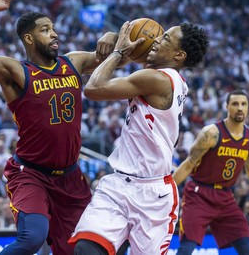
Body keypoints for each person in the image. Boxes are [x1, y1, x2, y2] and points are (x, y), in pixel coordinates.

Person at [0, 0, 117, 255]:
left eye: (54, 28)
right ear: (29, 38)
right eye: (45, 30)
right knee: (32, 237)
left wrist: (113, 37)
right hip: (32, 174)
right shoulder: (15, 71)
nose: (54, 34)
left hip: (71, 178)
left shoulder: (74, 62)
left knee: (82, 249)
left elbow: (120, 55)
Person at [68, 20, 209, 254]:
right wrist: (114, 38)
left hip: (153, 194)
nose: (155, 40)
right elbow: (135, 52)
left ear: (179, 54)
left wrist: (118, 51)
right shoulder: (165, 77)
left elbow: (93, 89)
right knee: (86, 249)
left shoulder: (158, 80)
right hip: (118, 186)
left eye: (165, 39)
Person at [173, 90, 249, 255]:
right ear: (227, 106)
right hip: (199, 194)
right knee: (186, 248)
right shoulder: (211, 133)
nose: (240, 108)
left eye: (244, 104)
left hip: (226, 198)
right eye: (235, 104)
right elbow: (188, 164)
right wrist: (166, 190)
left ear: (248, 108)